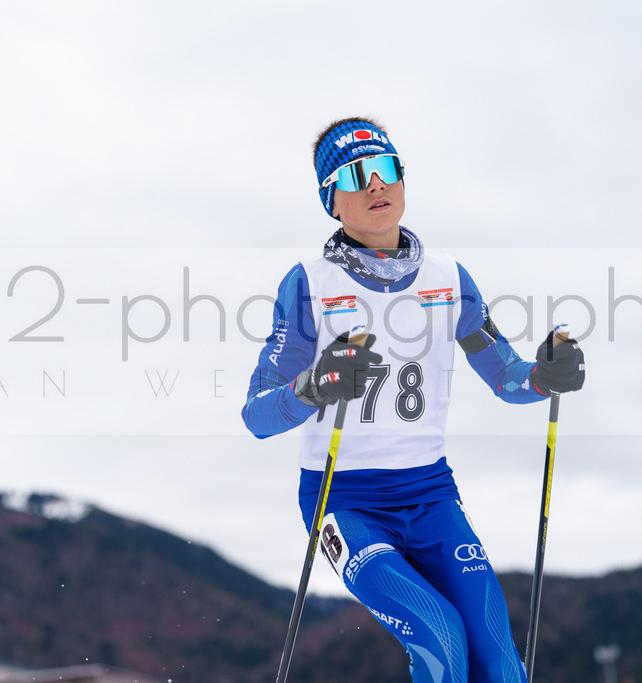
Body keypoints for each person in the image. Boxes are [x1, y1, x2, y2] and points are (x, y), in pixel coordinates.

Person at [241, 117, 585, 683]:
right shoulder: (309, 284)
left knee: (500, 661)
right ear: (332, 202)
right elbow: (257, 415)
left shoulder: (449, 280)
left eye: (385, 169)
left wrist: (547, 376)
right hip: (345, 501)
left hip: (431, 494)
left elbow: (506, 377)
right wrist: (316, 385)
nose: (376, 184)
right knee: (441, 637)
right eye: (355, 176)